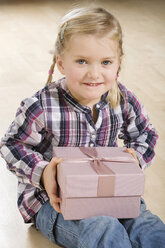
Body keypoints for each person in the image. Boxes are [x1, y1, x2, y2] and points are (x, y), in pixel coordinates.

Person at [0, 6, 165, 248]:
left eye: (106, 62)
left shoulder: (123, 99)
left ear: (118, 64)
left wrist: (135, 159)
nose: (94, 73)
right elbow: (12, 145)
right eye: (82, 61)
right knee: (102, 228)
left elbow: (145, 134)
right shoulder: (41, 105)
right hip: (53, 202)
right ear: (61, 63)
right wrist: (44, 171)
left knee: (148, 227)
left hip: (111, 194)